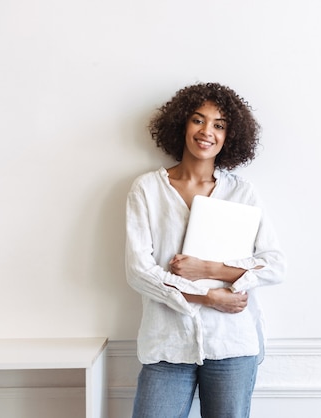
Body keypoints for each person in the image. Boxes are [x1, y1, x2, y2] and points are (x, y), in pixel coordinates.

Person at [125, 82, 286, 418]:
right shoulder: (148, 189)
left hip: (232, 344)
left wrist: (209, 269)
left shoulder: (243, 192)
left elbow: (274, 265)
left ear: (230, 136)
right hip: (167, 346)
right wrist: (208, 297)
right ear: (182, 123)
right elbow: (139, 271)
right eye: (198, 120)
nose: (207, 132)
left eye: (219, 125)